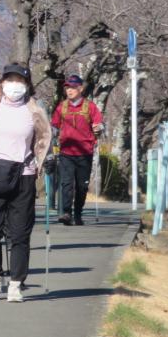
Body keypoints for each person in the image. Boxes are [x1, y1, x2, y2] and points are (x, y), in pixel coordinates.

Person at [0, 63, 52, 303]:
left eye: (20, 80)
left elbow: (44, 140)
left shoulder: (35, 111)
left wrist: (44, 161)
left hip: (24, 174)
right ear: (3, 83)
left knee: (19, 233)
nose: (14, 85)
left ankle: (16, 282)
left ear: (27, 85)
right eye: (10, 80)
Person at [50, 74, 103, 225]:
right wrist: (50, 132)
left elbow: (99, 123)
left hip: (85, 152)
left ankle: (78, 213)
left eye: (73, 87)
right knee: (66, 183)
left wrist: (98, 128)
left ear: (80, 88)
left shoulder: (90, 106)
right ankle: (66, 213)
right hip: (66, 152)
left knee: (82, 186)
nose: (69, 90)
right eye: (67, 87)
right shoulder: (62, 107)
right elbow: (54, 125)